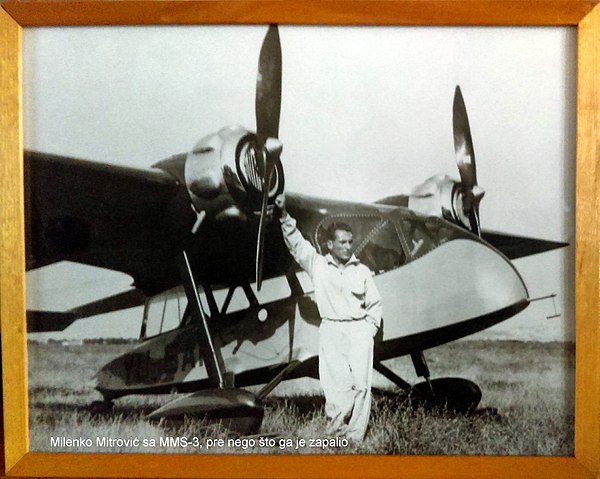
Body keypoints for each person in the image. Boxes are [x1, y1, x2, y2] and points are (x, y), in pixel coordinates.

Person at [275, 193, 382, 442]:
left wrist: (369, 330)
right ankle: (336, 433)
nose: (348, 246)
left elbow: (375, 304)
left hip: (358, 331)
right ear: (330, 245)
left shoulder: (363, 271)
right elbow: (297, 245)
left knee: (361, 386)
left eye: (350, 242)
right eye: (342, 242)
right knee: (335, 387)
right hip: (331, 330)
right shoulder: (319, 266)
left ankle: (355, 439)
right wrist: (283, 215)